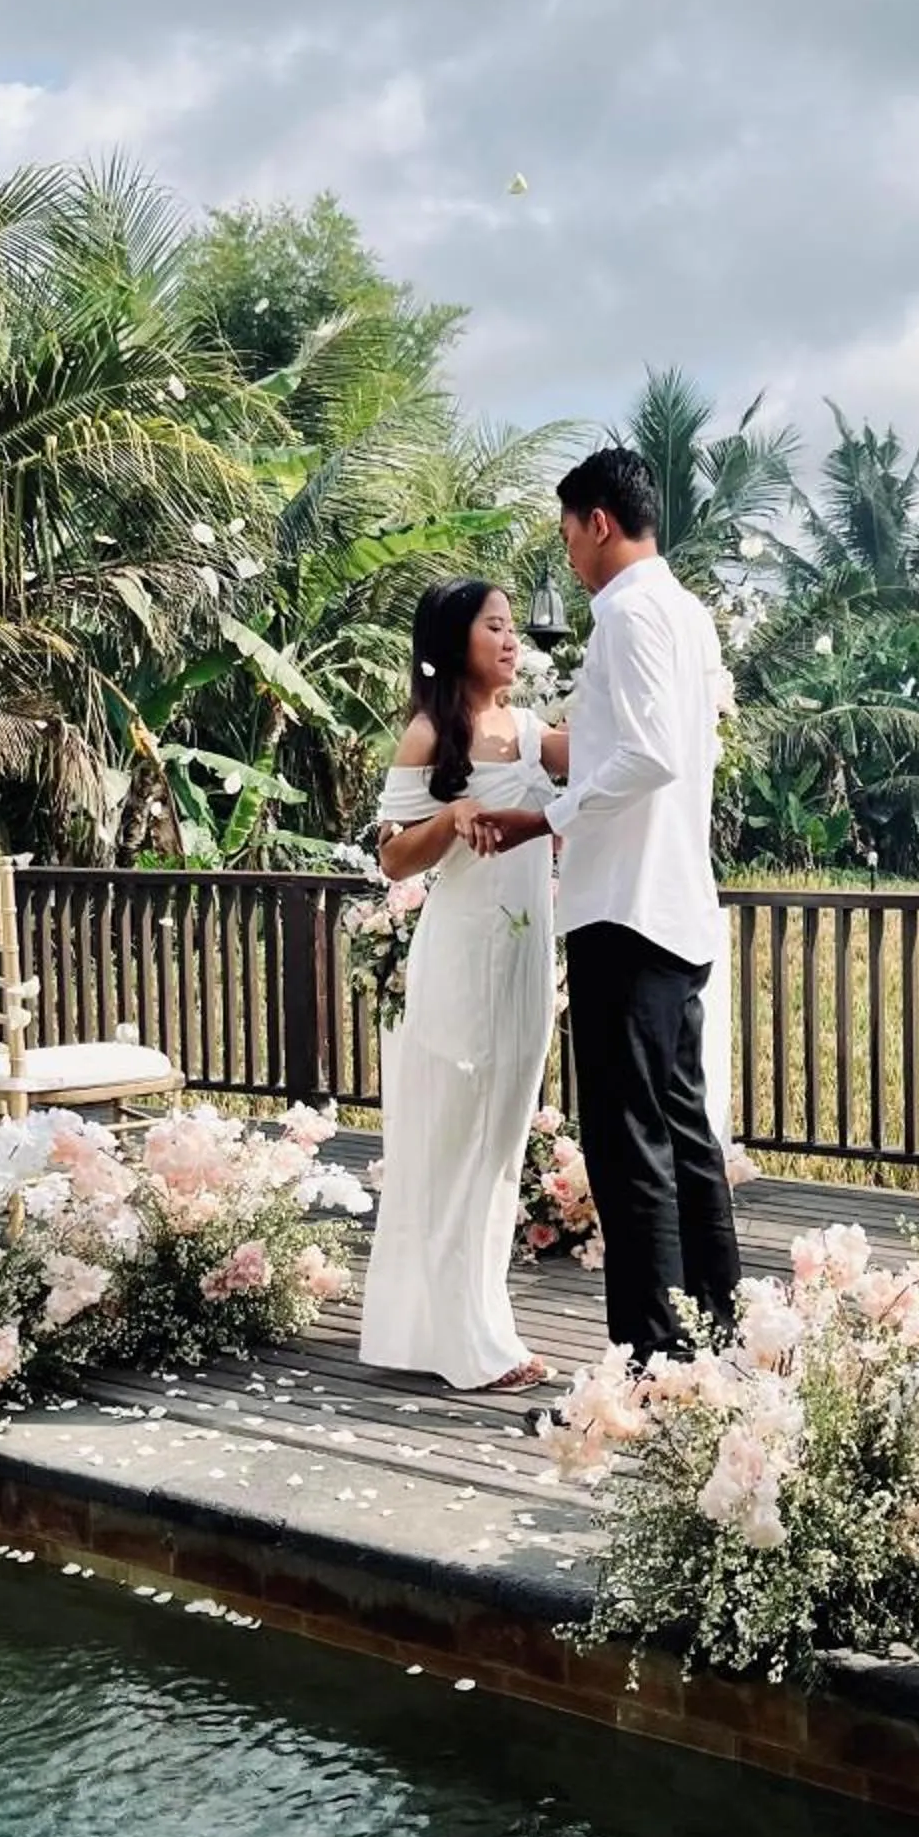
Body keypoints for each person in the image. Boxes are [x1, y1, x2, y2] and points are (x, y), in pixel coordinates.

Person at [462, 449, 742, 1364]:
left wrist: (548, 818)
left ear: (598, 524)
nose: (569, 554)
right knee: (684, 1131)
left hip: (625, 905)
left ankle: (650, 1357)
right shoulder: (686, 612)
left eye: (568, 533)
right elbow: (639, 744)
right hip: (674, 901)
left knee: (628, 1147)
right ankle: (717, 1332)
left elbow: (651, 753)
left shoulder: (626, 614)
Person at [357, 580, 568, 1392]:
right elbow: (392, 857)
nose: (512, 640)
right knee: (458, 1143)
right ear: (455, 639)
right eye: (495, 626)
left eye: (514, 627)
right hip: (460, 958)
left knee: (500, 1145)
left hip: (521, 962)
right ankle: (464, 1341)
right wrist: (451, 819)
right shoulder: (426, 734)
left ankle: (457, 1323)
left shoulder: (525, 730)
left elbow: (604, 757)